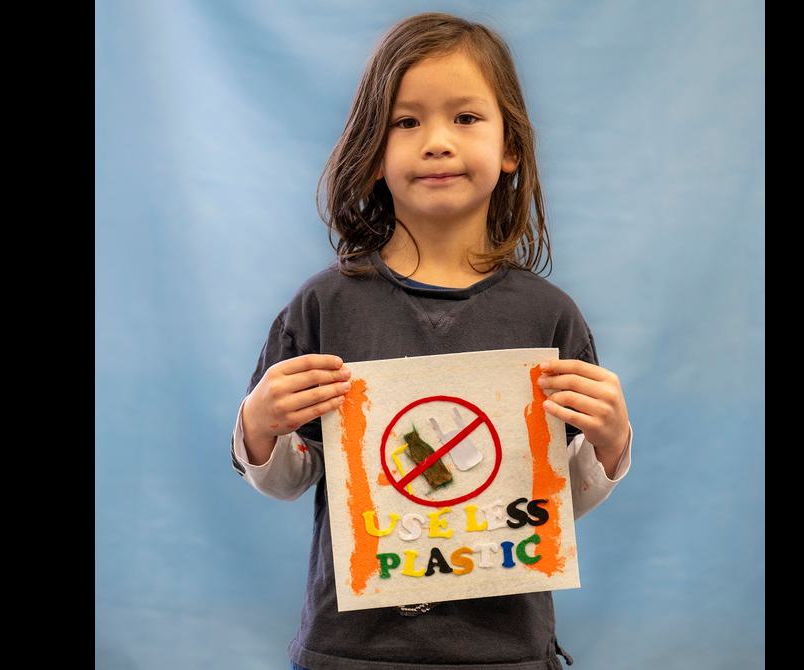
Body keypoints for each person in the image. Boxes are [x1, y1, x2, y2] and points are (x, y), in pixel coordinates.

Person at [231, 12, 633, 670]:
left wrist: (608, 447)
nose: (437, 142)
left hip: (507, 652)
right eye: (406, 122)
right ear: (372, 152)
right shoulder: (325, 308)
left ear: (509, 148)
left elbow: (551, 503)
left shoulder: (548, 317)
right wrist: (257, 426)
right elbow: (288, 480)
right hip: (350, 652)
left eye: (465, 118)